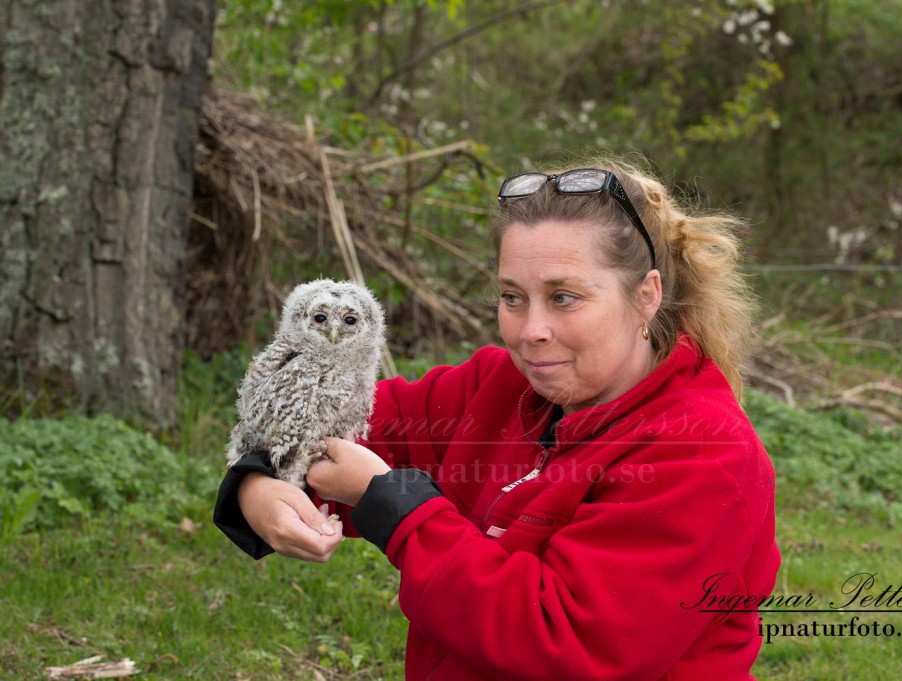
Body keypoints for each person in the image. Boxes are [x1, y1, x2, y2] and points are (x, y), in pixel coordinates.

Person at [214, 157, 781, 680]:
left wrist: (395, 507)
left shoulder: (705, 455)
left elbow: (566, 643)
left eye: (564, 297)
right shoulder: (499, 387)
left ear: (646, 296)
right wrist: (258, 482)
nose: (530, 331)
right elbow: (338, 425)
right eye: (513, 297)